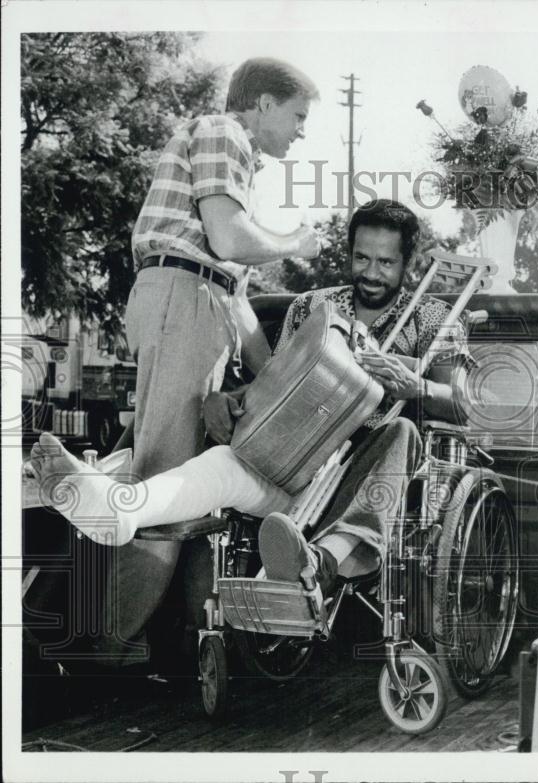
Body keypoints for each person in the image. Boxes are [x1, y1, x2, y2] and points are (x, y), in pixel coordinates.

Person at [31, 200, 474, 598]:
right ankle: (120, 510)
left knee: (401, 428)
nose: (371, 273)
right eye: (361, 258)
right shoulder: (314, 308)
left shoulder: (434, 317)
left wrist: (417, 386)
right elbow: (276, 384)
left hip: (366, 483)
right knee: (222, 463)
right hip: (295, 470)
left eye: (386, 262)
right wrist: (224, 400)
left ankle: (325, 561)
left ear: (408, 264)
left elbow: (462, 405)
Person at [107, 57, 322, 663]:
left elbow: (232, 293)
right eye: (298, 116)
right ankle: (106, 643)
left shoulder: (232, 155)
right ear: (264, 105)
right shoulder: (226, 132)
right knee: (165, 482)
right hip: (184, 297)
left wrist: (279, 376)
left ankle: (163, 639)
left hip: (199, 299)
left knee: (182, 480)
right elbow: (229, 241)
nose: (301, 131)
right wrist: (294, 243)